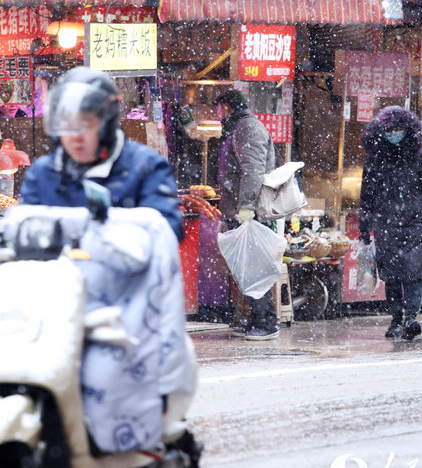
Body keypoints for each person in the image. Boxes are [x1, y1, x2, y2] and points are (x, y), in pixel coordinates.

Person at [19, 66, 184, 241]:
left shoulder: (146, 166)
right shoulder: (43, 172)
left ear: (107, 123)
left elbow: (168, 231)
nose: (75, 136)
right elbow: (22, 232)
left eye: (86, 123)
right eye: (66, 124)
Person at [359, 106, 422, 341]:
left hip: (417, 223)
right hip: (386, 222)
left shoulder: (420, 156)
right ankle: (397, 319)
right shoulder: (375, 158)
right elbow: (367, 195)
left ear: (409, 131)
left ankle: (411, 317)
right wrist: (364, 228)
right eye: (390, 130)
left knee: (415, 273)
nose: (394, 134)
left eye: (399, 129)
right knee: (393, 275)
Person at [215, 89, 279, 341]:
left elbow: (252, 170)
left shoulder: (247, 128)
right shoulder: (238, 128)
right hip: (240, 209)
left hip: (250, 214)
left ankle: (266, 322)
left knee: (255, 267)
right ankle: (256, 319)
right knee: (247, 267)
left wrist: (246, 207)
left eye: (220, 108)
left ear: (228, 107)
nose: (218, 113)